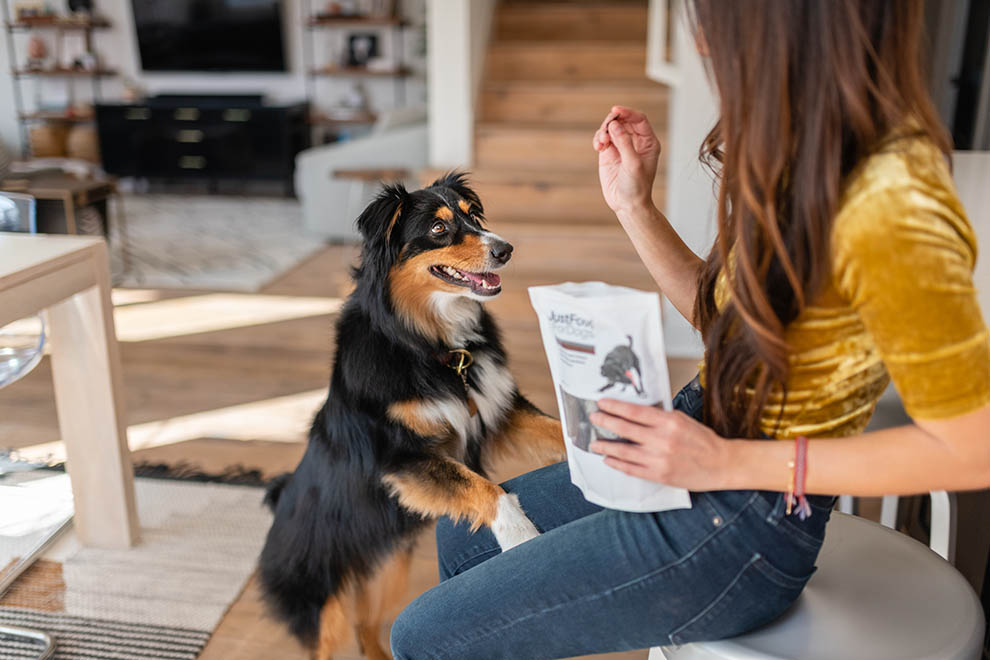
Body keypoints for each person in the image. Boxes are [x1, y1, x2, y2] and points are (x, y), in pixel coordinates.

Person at [390, 1, 990, 657]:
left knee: (422, 636)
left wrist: (727, 460)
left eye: (717, 17)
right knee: (466, 534)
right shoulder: (801, 147)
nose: (704, 42)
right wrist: (633, 205)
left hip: (745, 521)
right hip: (696, 440)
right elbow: (731, 327)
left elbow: (970, 447)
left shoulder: (894, 195)